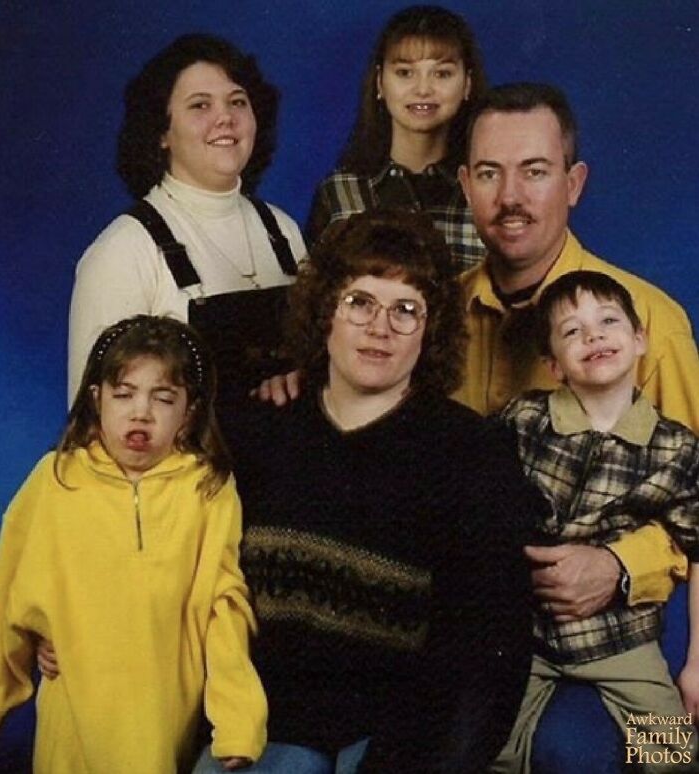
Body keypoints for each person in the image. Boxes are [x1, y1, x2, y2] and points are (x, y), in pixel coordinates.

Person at [194, 210, 544, 773]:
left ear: (430, 330)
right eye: (360, 302)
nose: (380, 328)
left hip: (394, 743)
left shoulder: (472, 454)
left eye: (406, 310)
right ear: (325, 310)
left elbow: (485, 660)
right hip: (257, 730)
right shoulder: (254, 429)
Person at [0, 316, 266, 773]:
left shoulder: (207, 488)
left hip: (161, 723)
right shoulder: (56, 479)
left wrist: (238, 720)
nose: (140, 412)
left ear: (190, 414)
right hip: (72, 723)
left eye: (163, 399)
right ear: (97, 400)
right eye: (124, 394)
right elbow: (7, 594)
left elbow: (224, 607)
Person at [492, 271, 699, 773]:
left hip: (620, 639)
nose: (593, 336)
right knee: (486, 744)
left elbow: (697, 551)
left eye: (608, 321)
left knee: (675, 756)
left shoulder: (675, 449)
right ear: (553, 366)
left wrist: (696, 664)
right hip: (526, 635)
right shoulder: (525, 420)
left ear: (640, 339)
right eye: (572, 331)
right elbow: (474, 495)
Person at [68, 34, 306, 407]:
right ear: (162, 133)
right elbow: (92, 423)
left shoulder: (283, 231)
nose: (225, 118)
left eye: (237, 102)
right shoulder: (124, 251)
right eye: (200, 106)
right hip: (182, 467)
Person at [306, 5, 487, 273]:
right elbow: (313, 302)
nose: (423, 89)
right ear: (380, 82)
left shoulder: (485, 191)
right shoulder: (340, 192)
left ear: (467, 84)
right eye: (405, 72)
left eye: (442, 73)